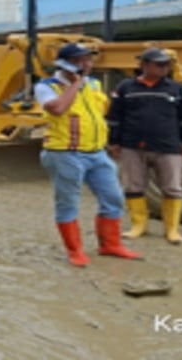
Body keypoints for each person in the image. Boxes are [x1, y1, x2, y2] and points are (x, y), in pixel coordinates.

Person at [35, 42, 142, 267]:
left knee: (113, 198)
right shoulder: (47, 86)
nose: (87, 64)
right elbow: (57, 108)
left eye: (89, 60)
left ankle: (110, 245)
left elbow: (100, 113)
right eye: (80, 60)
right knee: (68, 202)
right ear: (64, 64)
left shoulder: (94, 84)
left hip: (96, 153)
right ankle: (75, 251)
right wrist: (75, 83)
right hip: (64, 153)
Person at [107, 47, 182, 245]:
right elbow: (115, 117)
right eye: (159, 64)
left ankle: (172, 229)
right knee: (133, 186)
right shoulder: (125, 88)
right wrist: (113, 142)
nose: (164, 68)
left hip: (168, 146)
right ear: (144, 65)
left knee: (172, 188)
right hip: (132, 146)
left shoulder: (176, 89)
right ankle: (139, 225)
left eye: (166, 64)